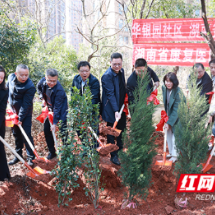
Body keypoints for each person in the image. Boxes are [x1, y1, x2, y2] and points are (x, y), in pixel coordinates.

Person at [8, 64, 36, 166]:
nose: (24, 77)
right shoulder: (11, 77)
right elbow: (7, 90)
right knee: (16, 134)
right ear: (16, 74)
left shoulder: (30, 86)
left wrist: (20, 118)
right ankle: (18, 156)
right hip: (13, 113)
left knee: (26, 134)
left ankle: (31, 158)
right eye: (21, 75)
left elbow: (26, 104)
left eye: (26, 75)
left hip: (26, 113)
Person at [37, 69, 68, 160]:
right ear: (46, 77)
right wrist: (42, 98)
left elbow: (57, 108)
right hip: (49, 109)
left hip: (61, 110)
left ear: (57, 79)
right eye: (49, 80)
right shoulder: (42, 82)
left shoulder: (59, 90)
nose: (51, 83)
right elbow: (38, 88)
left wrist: (54, 123)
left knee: (63, 131)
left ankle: (66, 152)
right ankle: (52, 152)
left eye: (54, 81)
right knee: (47, 130)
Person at [101, 53, 126, 165]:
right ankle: (113, 156)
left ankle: (120, 152)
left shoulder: (122, 71)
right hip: (111, 108)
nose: (117, 66)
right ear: (110, 62)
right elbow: (110, 94)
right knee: (111, 132)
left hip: (120, 106)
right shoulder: (107, 76)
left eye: (119, 64)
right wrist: (116, 111)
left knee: (121, 130)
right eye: (114, 64)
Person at [71, 61, 100, 149]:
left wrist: (86, 110)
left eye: (87, 71)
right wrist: (76, 107)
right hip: (79, 109)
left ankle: (95, 148)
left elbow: (94, 98)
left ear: (89, 70)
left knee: (94, 129)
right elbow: (73, 93)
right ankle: (85, 146)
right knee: (79, 128)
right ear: (78, 71)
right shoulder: (76, 79)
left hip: (92, 109)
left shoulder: (94, 81)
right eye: (82, 71)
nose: (84, 73)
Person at [162, 72, 183, 163]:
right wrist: (167, 119)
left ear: (174, 82)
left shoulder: (178, 92)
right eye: (166, 81)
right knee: (168, 134)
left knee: (176, 135)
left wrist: (169, 122)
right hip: (169, 115)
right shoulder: (164, 88)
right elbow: (166, 104)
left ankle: (175, 155)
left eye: (170, 81)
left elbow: (177, 110)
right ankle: (171, 152)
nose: (168, 83)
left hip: (179, 115)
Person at [0, 66, 11, 181]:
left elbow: (2, 110)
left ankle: (3, 175)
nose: (0, 80)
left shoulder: (4, 91)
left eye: (2, 78)